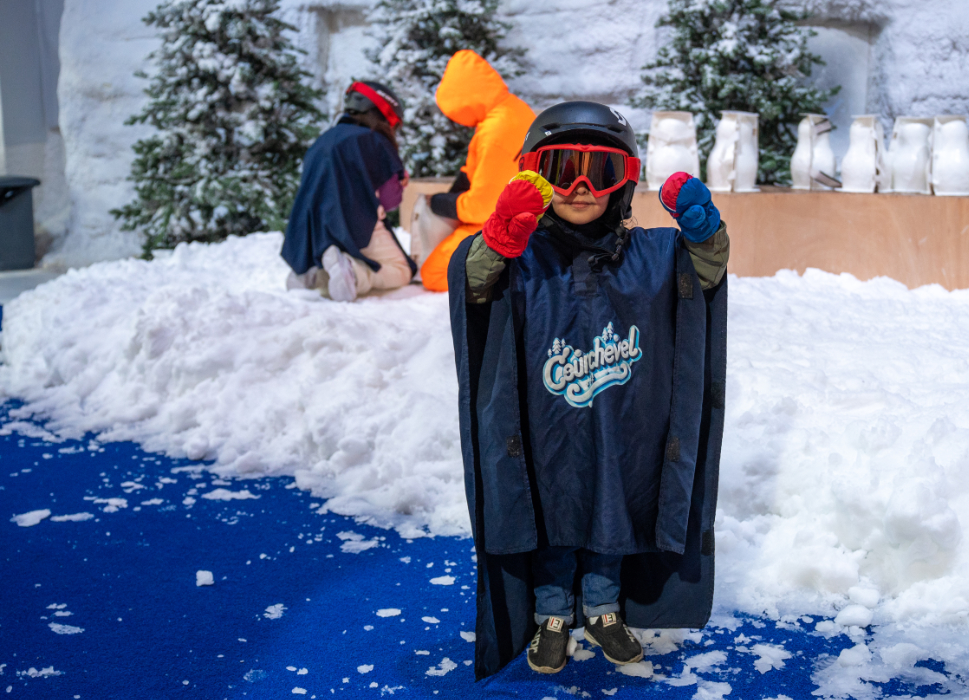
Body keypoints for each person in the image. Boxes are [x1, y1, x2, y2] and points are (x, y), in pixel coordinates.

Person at [446, 102, 730, 679]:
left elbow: (703, 273)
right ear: (534, 176)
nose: (580, 188)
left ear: (623, 182)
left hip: (622, 426)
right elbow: (474, 285)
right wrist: (496, 240)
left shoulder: (650, 253)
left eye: (599, 173)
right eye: (561, 171)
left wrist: (706, 234)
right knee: (552, 512)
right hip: (544, 427)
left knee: (613, 514)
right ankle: (551, 615)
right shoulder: (522, 255)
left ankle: (603, 609)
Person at [282, 80, 416, 302]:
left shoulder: (322, 141)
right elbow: (389, 200)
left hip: (315, 229)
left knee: (335, 261)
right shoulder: (375, 140)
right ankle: (355, 273)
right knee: (402, 270)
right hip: (357, 224)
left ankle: (313, 276)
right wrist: (400, 182)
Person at [418, 49, 536, 292]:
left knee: (434, 273)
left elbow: (482, 208)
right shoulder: (512, 109)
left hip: (504, 226)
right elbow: (476, 167)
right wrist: (455, 192)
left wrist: (442, 203)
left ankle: (505, 278)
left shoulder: (495, 132)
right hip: (525, 217)